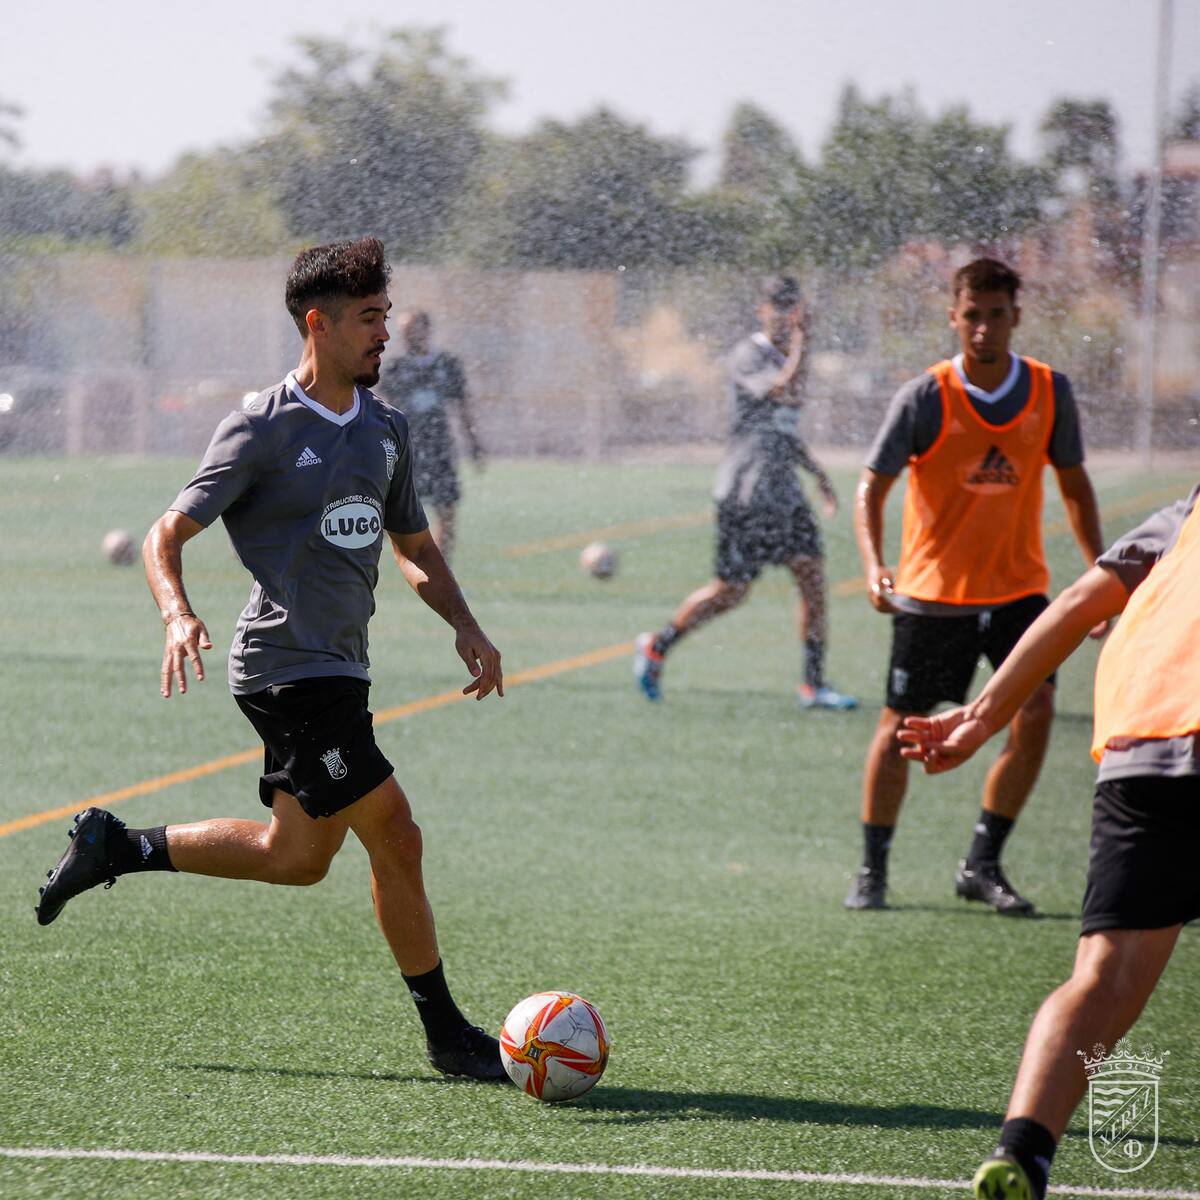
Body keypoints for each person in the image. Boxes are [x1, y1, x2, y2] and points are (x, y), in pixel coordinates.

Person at [35, 238, 508, 1082]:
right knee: (396, 834)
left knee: (298, 858)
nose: (384, 336)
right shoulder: (260, 425)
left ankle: (119, 847)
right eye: (369, 320)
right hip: (285, 668)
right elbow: (165, 533)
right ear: (317, 324)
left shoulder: (386, 431)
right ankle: (447, 1035)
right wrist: (177, 613)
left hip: (342, 667)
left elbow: (414, 546)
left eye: (387, 318)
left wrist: (463, 622)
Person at [897, 484, 1200, 1200]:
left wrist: (981, 717)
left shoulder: (1185, 517)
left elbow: (1073, 607)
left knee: (1102, 981)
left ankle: (1024, 1151)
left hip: (1143, 749)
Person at [846, 257, 1106, 914]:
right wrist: (874, 563)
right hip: (934, 595)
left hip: (1019, 593)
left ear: (1016, 316)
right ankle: (873, 867)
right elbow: (871, 487)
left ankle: (982, 862)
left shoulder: (1051, 392)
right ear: (953, 317)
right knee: (900, 731)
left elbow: (1074, 487)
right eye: (972, 316)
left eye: (996, 315)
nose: (984, 329)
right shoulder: (925, 397)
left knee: (1038, 715)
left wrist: (1107, 574)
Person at [633, 274, 857, 710]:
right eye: (778, 306)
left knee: (811, 576)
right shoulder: (748, 355)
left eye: (793, 306)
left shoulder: (791, 354)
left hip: (785, 493)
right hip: (747, 492)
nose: (786, 315)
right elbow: (781, 390)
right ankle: (657, 646)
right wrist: (803, 344)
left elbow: (783, 428)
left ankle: (813, 685)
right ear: (762, 309)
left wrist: (818, 475)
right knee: (731, 591)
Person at [377, 309, 484, 562]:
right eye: (402, 331)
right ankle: (362, 565)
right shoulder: (395, 368)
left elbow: (462, 407)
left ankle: (440, 572)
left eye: (410, 329)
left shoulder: (447, 365)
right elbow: (384, 412)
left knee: (446, 512)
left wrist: (474, 444)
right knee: (384, 511)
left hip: (439, 449)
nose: (405, 336)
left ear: (426, 329)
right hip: (405, 450)